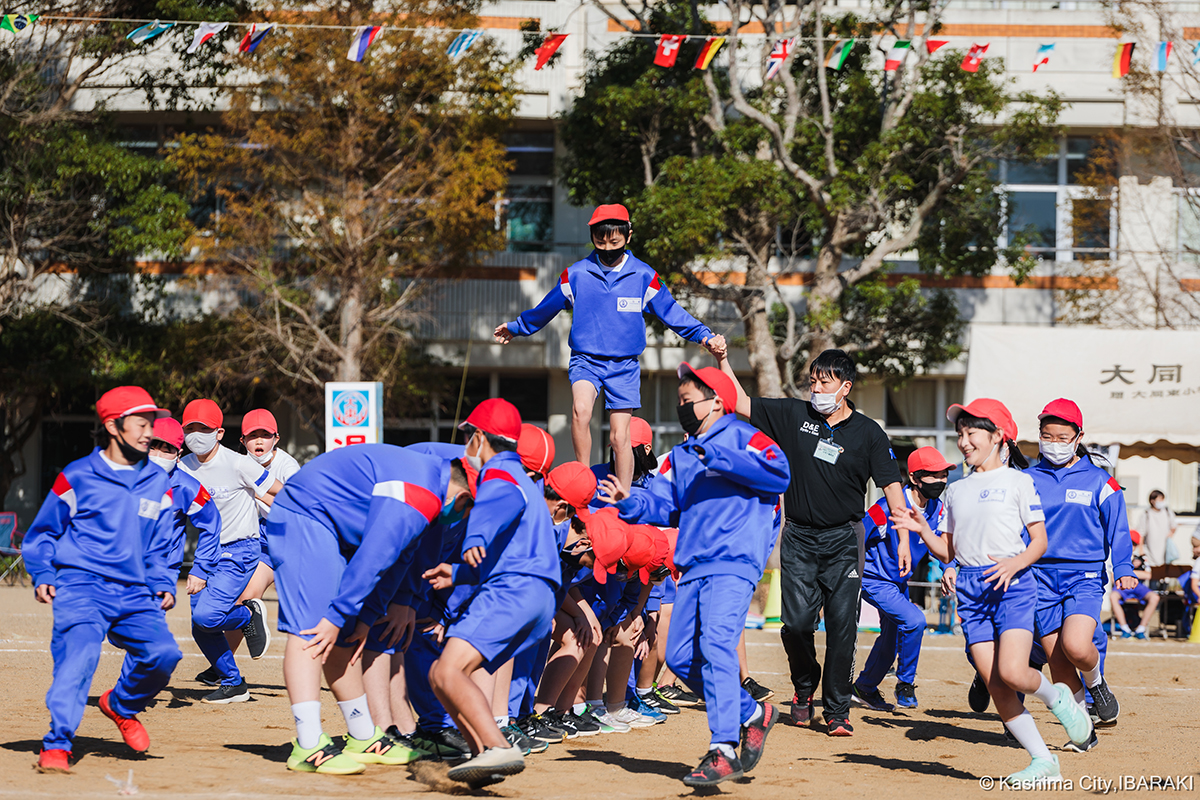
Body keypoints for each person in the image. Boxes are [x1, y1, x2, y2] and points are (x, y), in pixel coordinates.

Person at [599, 363, 789, 787]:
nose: (682, 407)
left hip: (735, 562)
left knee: (718, 645)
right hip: (692, 566)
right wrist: (629, 502)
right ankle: (753, 713)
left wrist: (719, 456)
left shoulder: (745, 436)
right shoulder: (682, 455)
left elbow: (780, 474)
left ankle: (722, 749)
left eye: (689, 401)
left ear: (717, 403)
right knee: (682, 656)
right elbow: (664, 505)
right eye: (680, 401)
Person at [891, 398, 1093, 786]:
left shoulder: (1020, 481)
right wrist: (921, 529)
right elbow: (948, 550)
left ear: (998, 437)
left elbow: (1039, 542)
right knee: (997, 686)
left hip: (1013, 585)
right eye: (960, 434)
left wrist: (1015, 563)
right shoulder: (956, 491)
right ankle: (1043, 761)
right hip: (971, 589)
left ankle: (1058, 698)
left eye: (972, 433)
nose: (964, 442)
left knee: (1014, 672)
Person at [718, 348, 909, 736]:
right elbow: (737, 401)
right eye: (813, 381)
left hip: (844, 540)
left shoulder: (869, 432)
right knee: (796, 624)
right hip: (799, 537)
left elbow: (891, 486)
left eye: (825, 382)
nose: (816, 388)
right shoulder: (793, 415)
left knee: (843, 628)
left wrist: (903, 537)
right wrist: (722, 358)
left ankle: (837, 710)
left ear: (845, 387)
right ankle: (805, 686)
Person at [266, 442, 475, 774]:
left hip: (331, 525)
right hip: (305, 514)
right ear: (463, 498)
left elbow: (401, 558)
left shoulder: (433, 486)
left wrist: (363, 618)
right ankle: (308, 745)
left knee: (347, 630)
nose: (463, 519)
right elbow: (373, 559)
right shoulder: (418, 494)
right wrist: (337, 616)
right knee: (312, 627)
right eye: (469, 511)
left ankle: (362, 735)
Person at [495, 203, 727, 492]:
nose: (607, 248)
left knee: (620, 437)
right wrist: (516, 327)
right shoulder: (576, 274)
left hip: (624, 366)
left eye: (614, 242)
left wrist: (705, 336)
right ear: (592, 237)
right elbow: (545, 308)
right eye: (600, 241)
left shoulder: (644, 277)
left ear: (628, 236)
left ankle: (624, 493)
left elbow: (672, 313)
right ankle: (581, 480)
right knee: (581, 411)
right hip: (586, 360)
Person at [25, 386, 182, 774]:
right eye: (141, 424)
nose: (149, 433)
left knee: (164, 655)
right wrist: (44, 571)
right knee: (78, 661)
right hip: (81, 586)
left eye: (152, 425)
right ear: (114, 426)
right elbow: (42, 533)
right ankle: (57, 743)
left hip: (134, 591)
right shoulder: (77, 475)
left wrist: (162, 580)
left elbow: (161, 544)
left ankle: (121, 705)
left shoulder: (157, 482)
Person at [421, 399, 561, 788]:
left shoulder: (500, 474)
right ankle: (484, 755)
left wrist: (476, 534)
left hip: (512, 591)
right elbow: (517, 546)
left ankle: (496, 747)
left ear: (480, 438)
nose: (466, 446)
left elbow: (498, 504)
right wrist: (461, 572)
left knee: (448, 669)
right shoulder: (528, 481)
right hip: (536, 596)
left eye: (469, 437)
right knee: (443, 674)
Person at [1026, 398, 1134, 743]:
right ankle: (1082, 730)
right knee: (1058, 662)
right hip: (1038, 577)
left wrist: (1123, 567)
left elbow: (1118, 528)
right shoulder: (1025, 479)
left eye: (1062, 437)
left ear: (1078, 437)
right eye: (1047, 436)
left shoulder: (1101, 481)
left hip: (1083, 577)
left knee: (1076, 646)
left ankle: (1096, 683)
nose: (1053, 443)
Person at [178, 399, 281, 703]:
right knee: (201, 627)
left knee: (208, 616)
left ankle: (248, 614)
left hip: (239, 549)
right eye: (191, 428)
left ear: (219, 433)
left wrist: (299, 523)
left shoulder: (238, 463)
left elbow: (278, 492)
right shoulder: (183, 466)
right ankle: (234, 683)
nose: (197, 434)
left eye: (204, 429)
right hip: (206, 554)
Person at [854, 447, 954, 711]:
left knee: (890, 640)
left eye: (944, 475)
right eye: (934, 475)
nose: (941, 481)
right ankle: (905, 683)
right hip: (874, 579)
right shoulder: (886, 506)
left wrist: (950, 567)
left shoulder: (939, 509)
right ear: (915, 478)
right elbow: (859, 535)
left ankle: (864, 688)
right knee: (915, 620)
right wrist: (846, 575)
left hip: (899, 584)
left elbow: (945, 545)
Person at [146, 417, 221, 582]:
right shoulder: (125, 477)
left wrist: (201, 568)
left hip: (162, 572)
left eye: (166, 451)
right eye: (152, 448)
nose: (157, 456)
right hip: (120, 568)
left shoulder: (189, 488)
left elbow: (211, 524)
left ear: (178, 455)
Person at [1109, 540, 1160, 639]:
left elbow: (1148, 575)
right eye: (1130, 543)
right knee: (1113, 596)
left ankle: (1141, 629)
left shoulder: (1143, 558)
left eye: (1134, 544)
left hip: (1138, 586)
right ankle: (1125, 629)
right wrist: (1133, 573)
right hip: (1122, 586)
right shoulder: (1118, 555)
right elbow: (1112, 577)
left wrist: (1126, 572)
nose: (1132, 546)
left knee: (1155, 597)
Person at [1138, 490, 1177, 567]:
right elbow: (1141, 533)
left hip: (1164, 550)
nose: (1162, 502)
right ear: (1152, 501)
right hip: (1149, 550)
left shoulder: (1167, 512)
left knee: (1164, 572)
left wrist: (1170, 535)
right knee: (1151, 573)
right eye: (1159, 499)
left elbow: (1174, 526)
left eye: (1162, 499)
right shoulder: (1146, 514)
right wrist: (1141, 550)